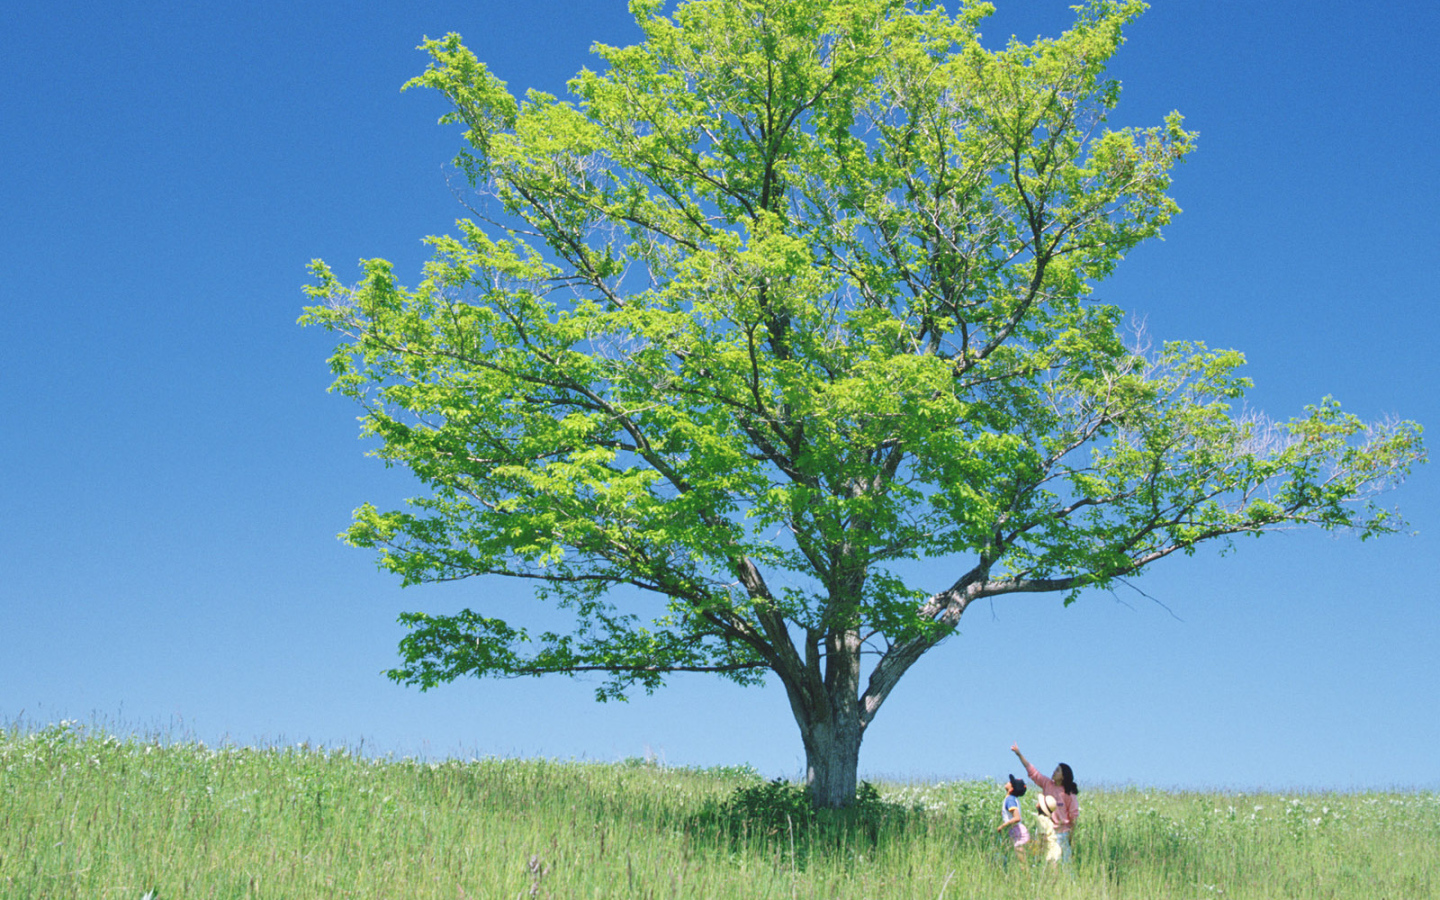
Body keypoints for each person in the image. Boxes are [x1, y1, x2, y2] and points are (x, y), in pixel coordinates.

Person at [1011, 743, 1079, 863]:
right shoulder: (1048, 784)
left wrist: (1071, 837)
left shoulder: (1069, 794)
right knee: (1043, 860)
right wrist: (1019, 754)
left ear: (1063, 776)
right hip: (1045, 830)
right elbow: (1033, 772)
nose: (1054, 772)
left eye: (1057, 771)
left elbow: (1073, 817)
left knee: (1063, 863)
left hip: (1061, 834)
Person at [996, 774, 1030, 861]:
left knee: (1022, 861)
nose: (1008, 782)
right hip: (1016, 831)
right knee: (1020, 860)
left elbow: (1017, 818)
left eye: (1010, 782)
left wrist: (1002, 826)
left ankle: (1026, 874)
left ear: (1011, 789)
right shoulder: (1011, 799)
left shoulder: (1010, 800)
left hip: (1018, 833)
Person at [1032, 793, 1063, 867]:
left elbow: (1043, 836)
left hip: (1049, 849)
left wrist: (1039, 851)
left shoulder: (1041, 819)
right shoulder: (1047, 819)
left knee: (1050, 870)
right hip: (1054, 848)